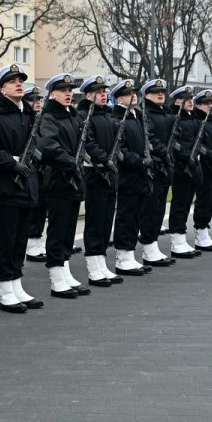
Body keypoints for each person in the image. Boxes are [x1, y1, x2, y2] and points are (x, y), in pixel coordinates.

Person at [0, 64, 45, 312]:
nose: (19, 84)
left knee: (20, 239)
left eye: (21, 80)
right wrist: (12, 163)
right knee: (6, 241)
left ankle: (17, 285)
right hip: (6, 185)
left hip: (26, 185)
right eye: (12, 81)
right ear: (1, 88)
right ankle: (5, 290)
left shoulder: (28, 114)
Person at [38, 73, 88, 297]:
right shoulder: (48, 117)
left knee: (68, 229)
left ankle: (65, 271)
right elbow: (49, 147)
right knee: (58, 229)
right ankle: (56, 277)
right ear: (52, 93)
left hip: (73, 178)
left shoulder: (73, 116)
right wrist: (70, 163)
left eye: (70, 91)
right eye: (63, 91)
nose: (69, 94)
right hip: (59, 178)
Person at [76, 75, 120, 286]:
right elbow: (88, 144)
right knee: (95, 222)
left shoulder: (108, 116)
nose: (104, 95)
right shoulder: (84, 116)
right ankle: (93, 267)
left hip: (110, 174)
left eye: (105, 92)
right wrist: (103, 160)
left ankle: (102, 263)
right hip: (95, 173)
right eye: (99, 92)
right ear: (88, 95)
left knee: (105, 221)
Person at [110, 80, 154, 276]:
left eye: (134, 93)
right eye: (128, 94)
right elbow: (119, 150)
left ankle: (130, 255)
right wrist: (138, 161)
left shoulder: (137, 117)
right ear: (119, 98)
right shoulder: (117, 119)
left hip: (140, 174)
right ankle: (122, 256)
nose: (133, 96)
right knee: (126, 216)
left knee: (136, 215)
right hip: (128, 174)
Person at [137, 79, 174, 267]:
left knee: (159, 207)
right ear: (146, 95)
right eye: (155, 92)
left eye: (162, 92)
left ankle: (153, 244)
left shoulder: (165, 113)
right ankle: (148, 247)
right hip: (153, 166)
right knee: (150, 209)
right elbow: (149, 138)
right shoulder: (145, 114)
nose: (160, 94)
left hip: (164, 166)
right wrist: (164, 152)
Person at [165, 86, 201, 259]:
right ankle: (176, 240)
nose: (191, 101)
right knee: (179, 203)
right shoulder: (175, 118)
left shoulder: (193, 119)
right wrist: (186, 156)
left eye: (191, 99)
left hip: (192, 166)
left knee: (187, 204)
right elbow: (174, 142)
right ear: (178, 101)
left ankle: (181, 237)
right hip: (181, 166)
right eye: (187, 99)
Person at [191, 90, 212, 252]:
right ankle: (200, 233)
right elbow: (196, 143)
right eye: (206, 103)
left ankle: (204, 231)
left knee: (211, 199)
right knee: (203, 199)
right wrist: (210, 155)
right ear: (198, 105)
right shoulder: (196, 120)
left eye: (211, 103)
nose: (209, 106)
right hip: (202, 165)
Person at [23, 86, 47, 262]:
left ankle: (37, 239)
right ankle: (31, 242)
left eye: (39, 99)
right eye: (33, 99)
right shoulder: (27, 119)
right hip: (29, 167)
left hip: (41, 168)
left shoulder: (41, 119)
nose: (37, 102)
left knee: (41, 205)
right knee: (32, 206)